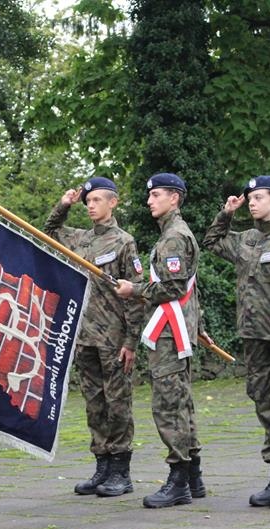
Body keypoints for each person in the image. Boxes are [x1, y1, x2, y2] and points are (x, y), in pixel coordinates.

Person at [202, 175, 270, 508]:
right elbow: (212, 241)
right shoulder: (247, 239)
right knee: (265, 403)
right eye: (249, 198)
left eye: (258, 197)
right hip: (254, 337)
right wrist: (227, 213)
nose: (251, 202)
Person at [44, 177, 144, 497]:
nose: (90, 205)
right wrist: (64, 205)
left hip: (114, 337)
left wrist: (131, 341)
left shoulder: (124, 242)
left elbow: (136, 294)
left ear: (113, 203)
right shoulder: (80, 238)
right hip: (84, 335)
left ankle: (120, 471)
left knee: (118, 403)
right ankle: (102, 466)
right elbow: (49, 232)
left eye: (97, 200)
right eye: (87, 201)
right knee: (94, 404)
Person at [114, 173, 208, 508]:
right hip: (175, 329)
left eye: (156, 195)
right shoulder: (173, 234)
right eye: (150, 195)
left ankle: (178, 480)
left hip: (170, 332)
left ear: (174, 198)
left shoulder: (174, 237)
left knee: (169, 405)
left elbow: (174, 287)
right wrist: (199, 323)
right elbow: (189, 285)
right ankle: (193, 478)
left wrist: (134, 289)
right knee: (181, 402)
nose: (149, 200)